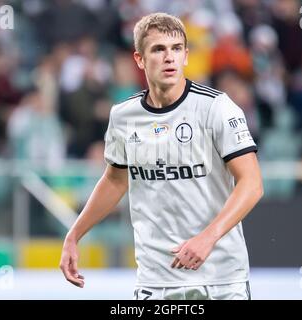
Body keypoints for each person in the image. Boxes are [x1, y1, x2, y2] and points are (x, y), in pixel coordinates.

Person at [60, 13, 263, 300]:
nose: (169, 57)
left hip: (221, 280)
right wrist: (74, 235)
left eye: (176, 48)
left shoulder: (216, 108)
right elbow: (115, 180)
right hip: (156, 282)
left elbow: (252, 183)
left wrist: (208, 238)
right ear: (140, 59)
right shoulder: (123, 116)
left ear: (186, 56)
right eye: (158, 49)